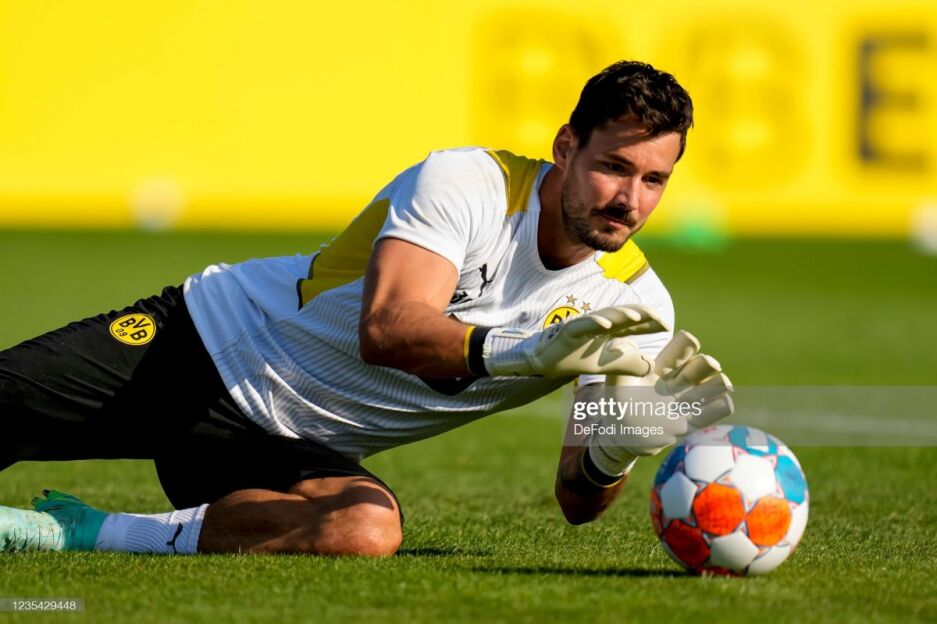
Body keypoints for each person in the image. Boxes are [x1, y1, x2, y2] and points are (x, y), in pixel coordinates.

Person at [0, 60, 732, 556]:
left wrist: (609, 454)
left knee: (365, 531)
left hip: (286, 448)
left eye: (654, 180)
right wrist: (515, 351)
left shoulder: (637, 306)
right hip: (204, 346)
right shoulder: (469, 183)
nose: (629, 200)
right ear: (566, 147)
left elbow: (575, 501)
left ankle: (83, 531)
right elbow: (386, 330)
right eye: (613, 167)